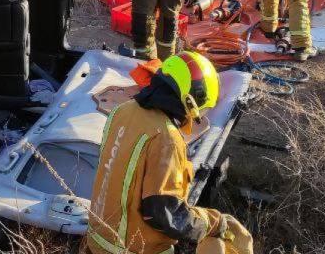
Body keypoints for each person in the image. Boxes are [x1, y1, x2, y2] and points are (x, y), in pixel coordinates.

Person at [86, 52, 252, 254]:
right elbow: (164, 213)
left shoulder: (123, 111)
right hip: (132, 249)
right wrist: (210, 223)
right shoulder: (166, 138)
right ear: (191, 99)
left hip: (97, 241)